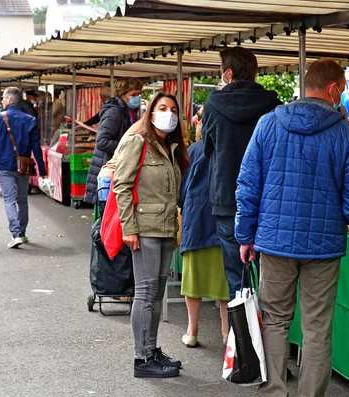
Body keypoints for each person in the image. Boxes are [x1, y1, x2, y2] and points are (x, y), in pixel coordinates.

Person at [235, 59, 349, 397]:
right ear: (332, 88)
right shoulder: (348, 134)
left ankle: (273, 394)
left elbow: (248, 185)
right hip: (323, 248)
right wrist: (338, 216)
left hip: (275, 243)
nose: (342, 93)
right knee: (317, 328)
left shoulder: (268, 125)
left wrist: (245, 235)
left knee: (276, 322)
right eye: (341, 87)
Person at [113, 93, 189, 378]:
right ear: (150, 111)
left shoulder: (169, 147)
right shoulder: (138, 141)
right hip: (144, 228)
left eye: (172, 109)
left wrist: (176, 226)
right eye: (162, 108)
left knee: (156, 294)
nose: (168, 113)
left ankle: (151, 348)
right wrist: (129, 227)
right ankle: (142, 358)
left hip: (164, 228)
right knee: (145, 294)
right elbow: (121, 185)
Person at [202, 46, 281, 301]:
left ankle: (243, 337)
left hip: (226, 198)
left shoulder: (213, 105)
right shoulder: (274, 106)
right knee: (271, 275)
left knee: (236, 276)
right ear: (255, 72)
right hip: (268, 200)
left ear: (228, 73)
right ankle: (272, 336)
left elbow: (207, 148)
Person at [178, 119, 229, 348]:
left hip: (196, 219)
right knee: (225, 283)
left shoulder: (194, 150)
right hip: (222, 220)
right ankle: (227, 333)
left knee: (193, 279)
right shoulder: (229, 149)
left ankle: (192, 330)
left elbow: (182, 187)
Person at [0, 87, 46, 249]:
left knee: (9, 199)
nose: (2, 101)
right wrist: (42, 169)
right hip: (23, 166)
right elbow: (36, 147)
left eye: (3, 98)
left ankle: (16, 233)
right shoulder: (30, 119)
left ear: (10, 100)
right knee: (22, 199)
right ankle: (22, 232)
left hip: (4, 165)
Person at [84, 78, 143, 205]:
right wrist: (127, 148)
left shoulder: (129, 112)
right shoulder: (115, 112)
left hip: (118, 169)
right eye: (133, 95)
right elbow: (102, 141)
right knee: (106, 219)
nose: (136, 98)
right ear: (122, 94)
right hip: (109, 171)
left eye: (138, 94)